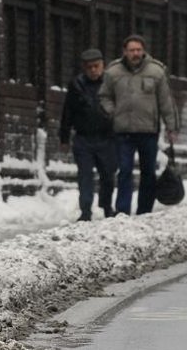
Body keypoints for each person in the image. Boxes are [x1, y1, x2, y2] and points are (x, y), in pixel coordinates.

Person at [98, 35, 179, 215]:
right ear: (124, 52)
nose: (135, 53)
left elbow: (166, 101)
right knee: (125, 171)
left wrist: (172, 127)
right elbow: (104, 96)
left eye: (138, 50)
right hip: (123, 131)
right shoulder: (113, 72)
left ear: (143, 51)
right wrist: (112, 111)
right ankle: (122, 212)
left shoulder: (156, 71)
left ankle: (144, 211)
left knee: (148, 173)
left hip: (148, 131)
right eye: (132, 50)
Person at [59, 48, 117, 221]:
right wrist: (64, 137)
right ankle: (85, 211)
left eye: (96, 66)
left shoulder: (111, 84)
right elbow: (67, 112)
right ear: (84, 68)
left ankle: (106, 206)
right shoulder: (77, 85)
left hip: (107, 137)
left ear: (102, 66)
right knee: (85, 176)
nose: (93, 70)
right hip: (83, 138)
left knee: (107, 175)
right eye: (89, 67)